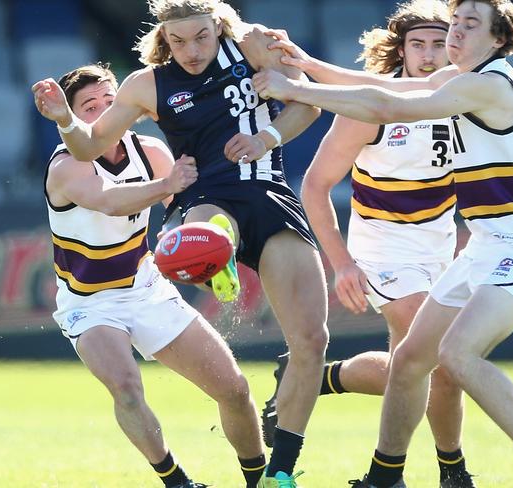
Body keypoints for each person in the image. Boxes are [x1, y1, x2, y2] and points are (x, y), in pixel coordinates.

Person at [252, 0, 513, 487]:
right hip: (471, 247)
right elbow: (391, 90)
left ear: (497, 40)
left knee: (455, 357)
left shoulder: (485, 84)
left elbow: (389, 103)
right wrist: (309, 65)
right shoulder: (456, 81)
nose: (455, 34)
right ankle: (386, 476)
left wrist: (296, 88)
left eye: (471, 25)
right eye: (457, 23)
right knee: (410, 361)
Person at [32, 2, 329, 487]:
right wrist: (67, 120)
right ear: (162, 40)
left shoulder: (250, 45)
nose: (191, 51)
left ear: (220, 27)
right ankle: (217, 254)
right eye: (178, 41)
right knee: (130, 382)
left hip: (263, 199)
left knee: (306, 345)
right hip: (111, 284)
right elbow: (101, 180)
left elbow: (309, 102)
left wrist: (268, 136)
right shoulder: (142, 90)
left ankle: (275, 476)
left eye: (201, 38)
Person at [260, 2, 474, 487]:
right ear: (400, 50)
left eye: (439, 44)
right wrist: (343, 265)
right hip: (383, 248)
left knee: (419, 368)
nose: (427, 54)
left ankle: (321, 379)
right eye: (417, 44)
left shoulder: (463, 98)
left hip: (438, 246)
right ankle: (450, 473)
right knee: (436, 354)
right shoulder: (370, 107)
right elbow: (314, 186)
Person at [41, 63, 266, 488]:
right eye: (89, 107)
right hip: (89, 303)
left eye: (110, 102)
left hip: (145, 288)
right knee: (126, 387)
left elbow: (180, 211)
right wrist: (167, 185)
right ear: (70, 120)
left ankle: (261, 480)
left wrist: (198, 248)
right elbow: (108, 201)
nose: (103, 113)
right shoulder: (66, 167)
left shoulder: (150, 150)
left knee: (234, 389)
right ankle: (177, 481)